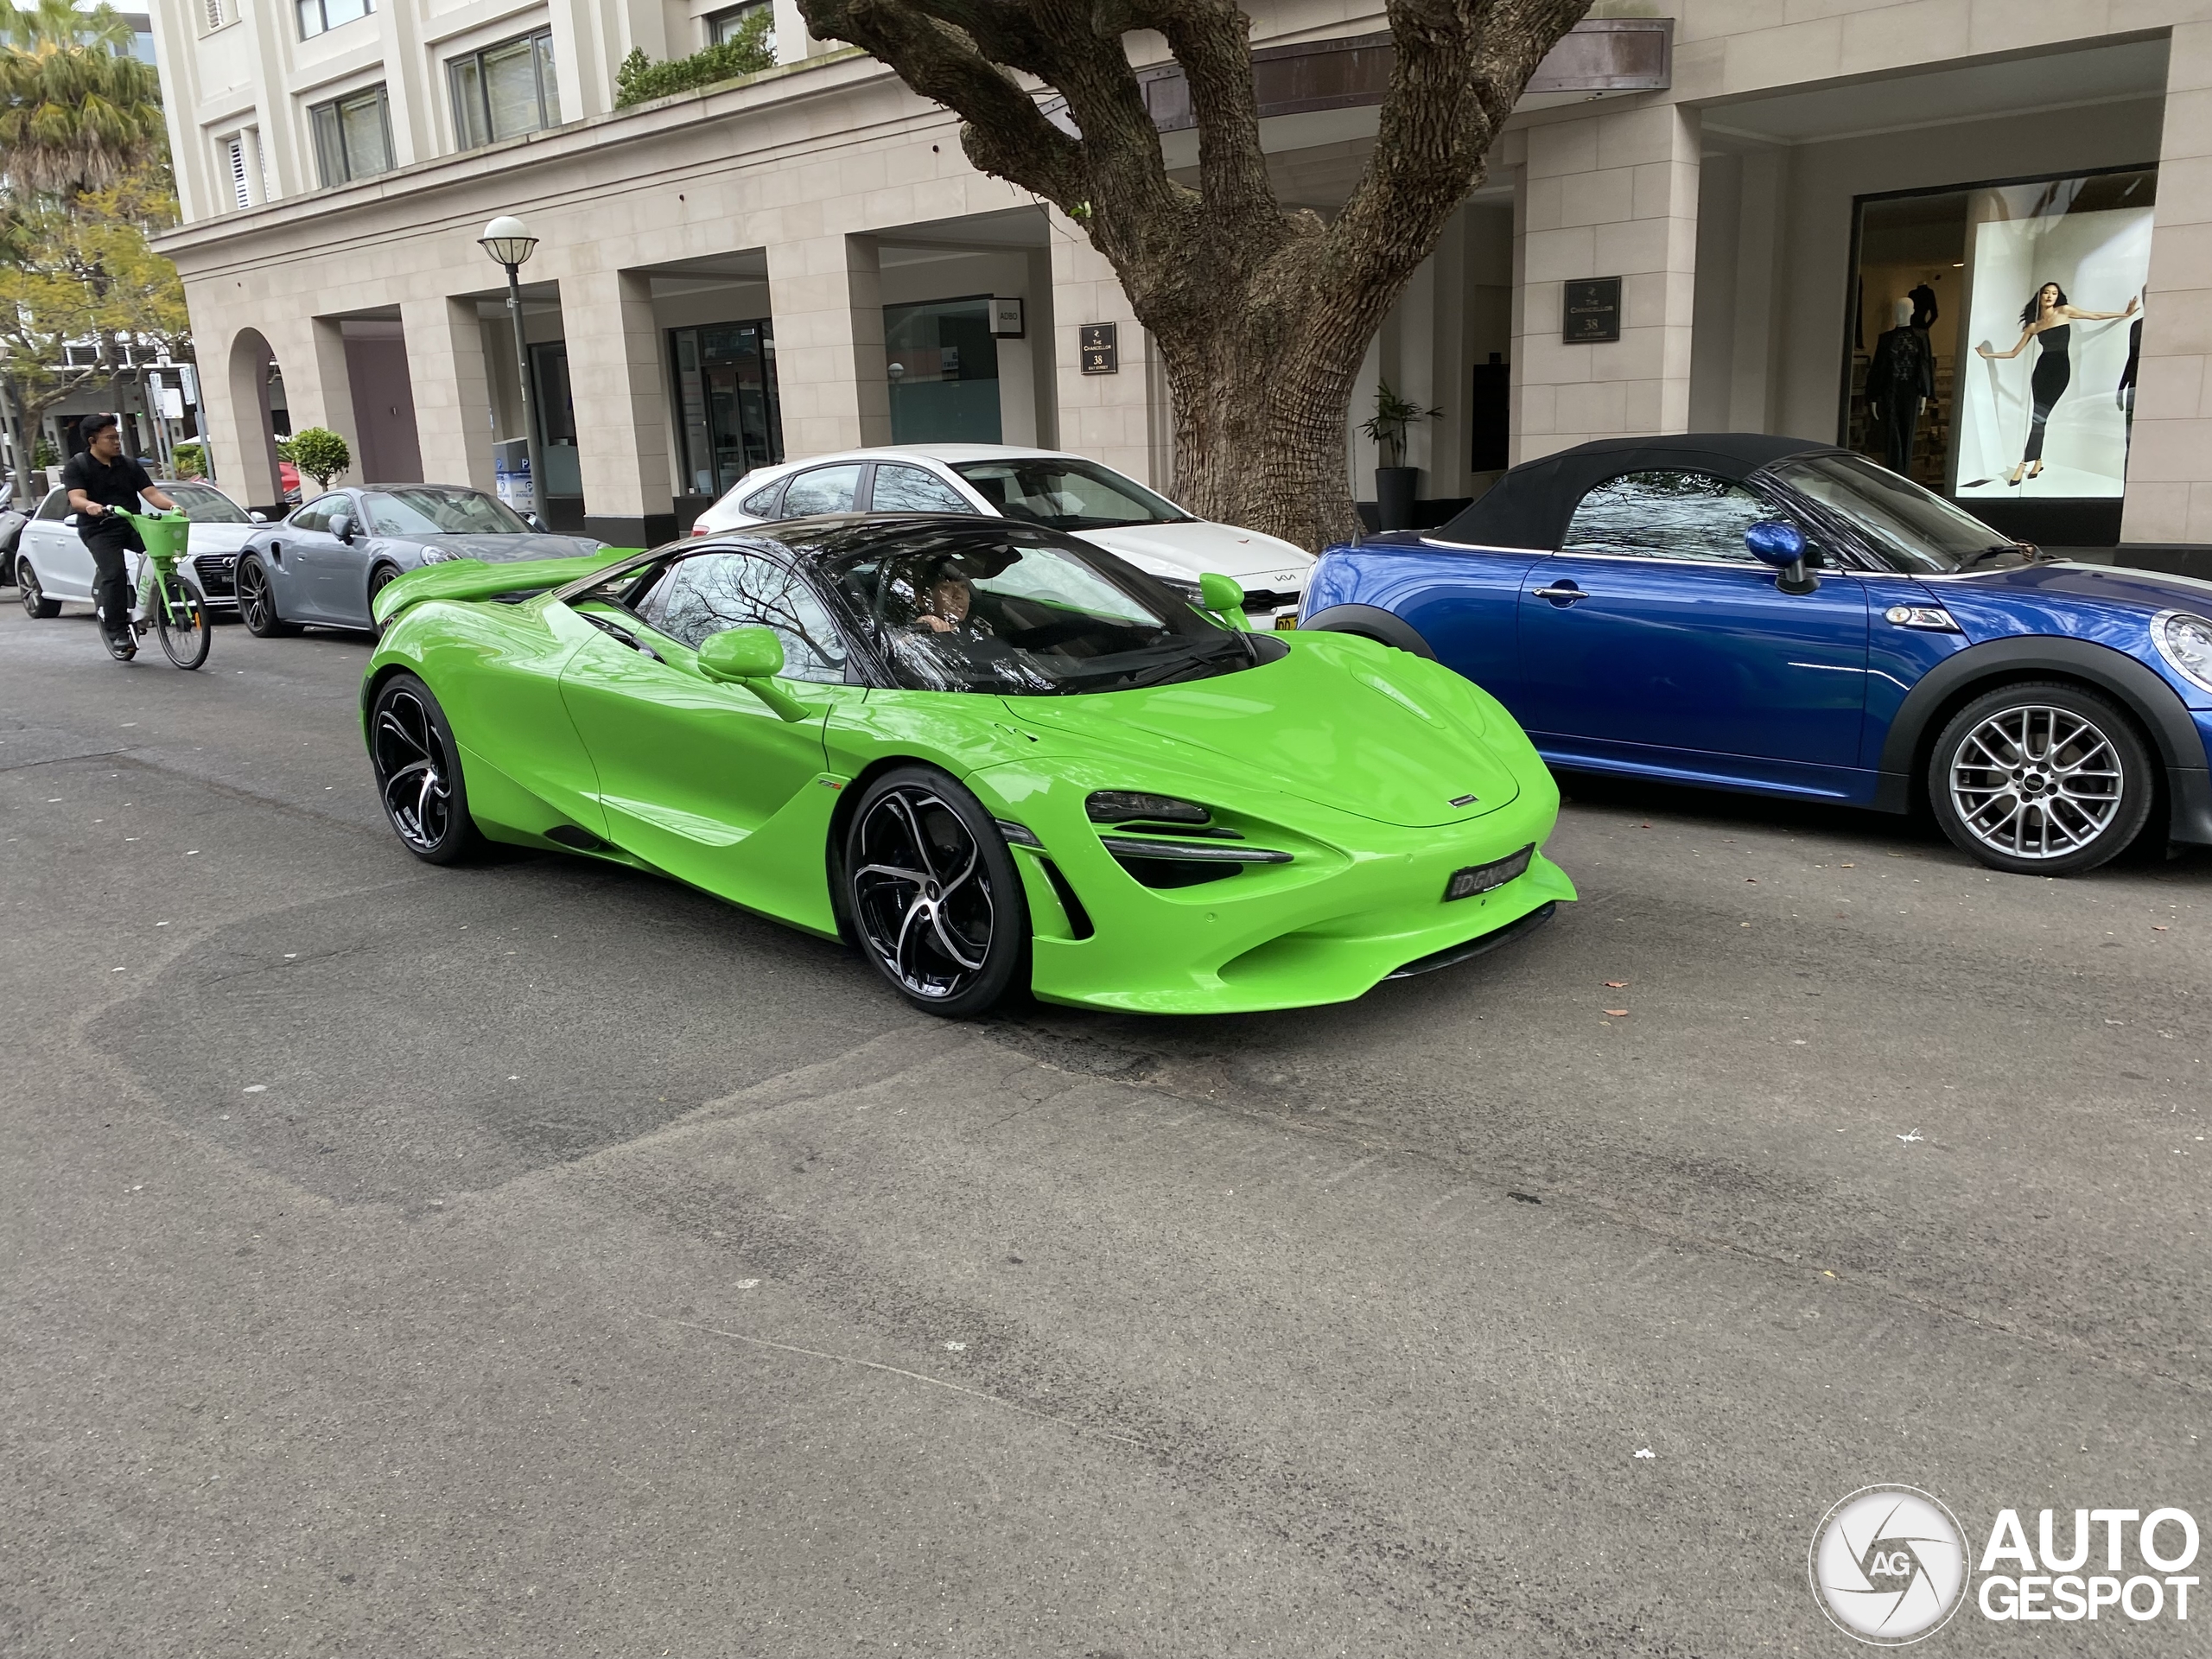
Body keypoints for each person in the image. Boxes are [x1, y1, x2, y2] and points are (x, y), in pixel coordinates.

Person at [1977, 282, 2139, 486]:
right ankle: (2037, 462)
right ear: (2040, 296)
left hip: (2061, 371)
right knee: (2039, 419)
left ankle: (2022, 465)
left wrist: (2124, 315)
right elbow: (2013, 353)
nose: (2050, 296)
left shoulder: (2064, 311)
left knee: (2039, 419)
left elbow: (2094, 316)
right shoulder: (2034, 326)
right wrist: (1988, 355)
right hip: (2041, 372)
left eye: (2054, 293)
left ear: (2058, 297)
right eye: (2046, 293)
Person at [61, 414, 175, 659]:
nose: (116, 442)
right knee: (113, 573)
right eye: (110, 438)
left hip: (133, 524)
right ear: (93, 440)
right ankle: (116, 629)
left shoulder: (129, 465)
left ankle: (158, 605)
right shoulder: (78, 465)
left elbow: (152, 494)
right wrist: (90, 505)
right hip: (99, 528)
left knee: (163, 555)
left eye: (118, 437)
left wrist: (171, 507)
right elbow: (76, 498)